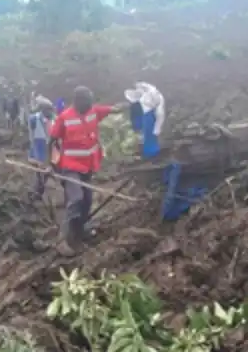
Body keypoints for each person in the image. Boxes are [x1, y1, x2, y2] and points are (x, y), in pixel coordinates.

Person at [48, 86, 125, 256]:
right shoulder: (64, 118)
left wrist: (125, 106)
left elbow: (112, 109)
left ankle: (80, 230)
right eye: (87, 102)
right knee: (76, 198)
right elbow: (53, 141)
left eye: (91, 102)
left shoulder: (93, 111)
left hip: (88, 165)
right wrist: (54, 165)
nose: (90, 105)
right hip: (69, 166)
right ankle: (62, 240)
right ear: (77, 101)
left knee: (87, 200)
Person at [124, 82, 165, 159]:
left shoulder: (157, 103)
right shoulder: (146, 93)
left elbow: (160, 117)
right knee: (143, 126)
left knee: (150, 132)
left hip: (150, 113)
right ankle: (139, 133)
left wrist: (156, 130)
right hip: (144, 110)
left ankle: (150, 153)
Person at [28, 95, 55, 199]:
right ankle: (39, 190)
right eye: (48, 109)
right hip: (38, 147)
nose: (50, 112)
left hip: (49, 148)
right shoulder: (34, 118)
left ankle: (40, 189)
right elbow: (31, 134)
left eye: (51, 109)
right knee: (39, 172)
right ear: (43, 109)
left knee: (46, 171)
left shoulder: (53, 119)